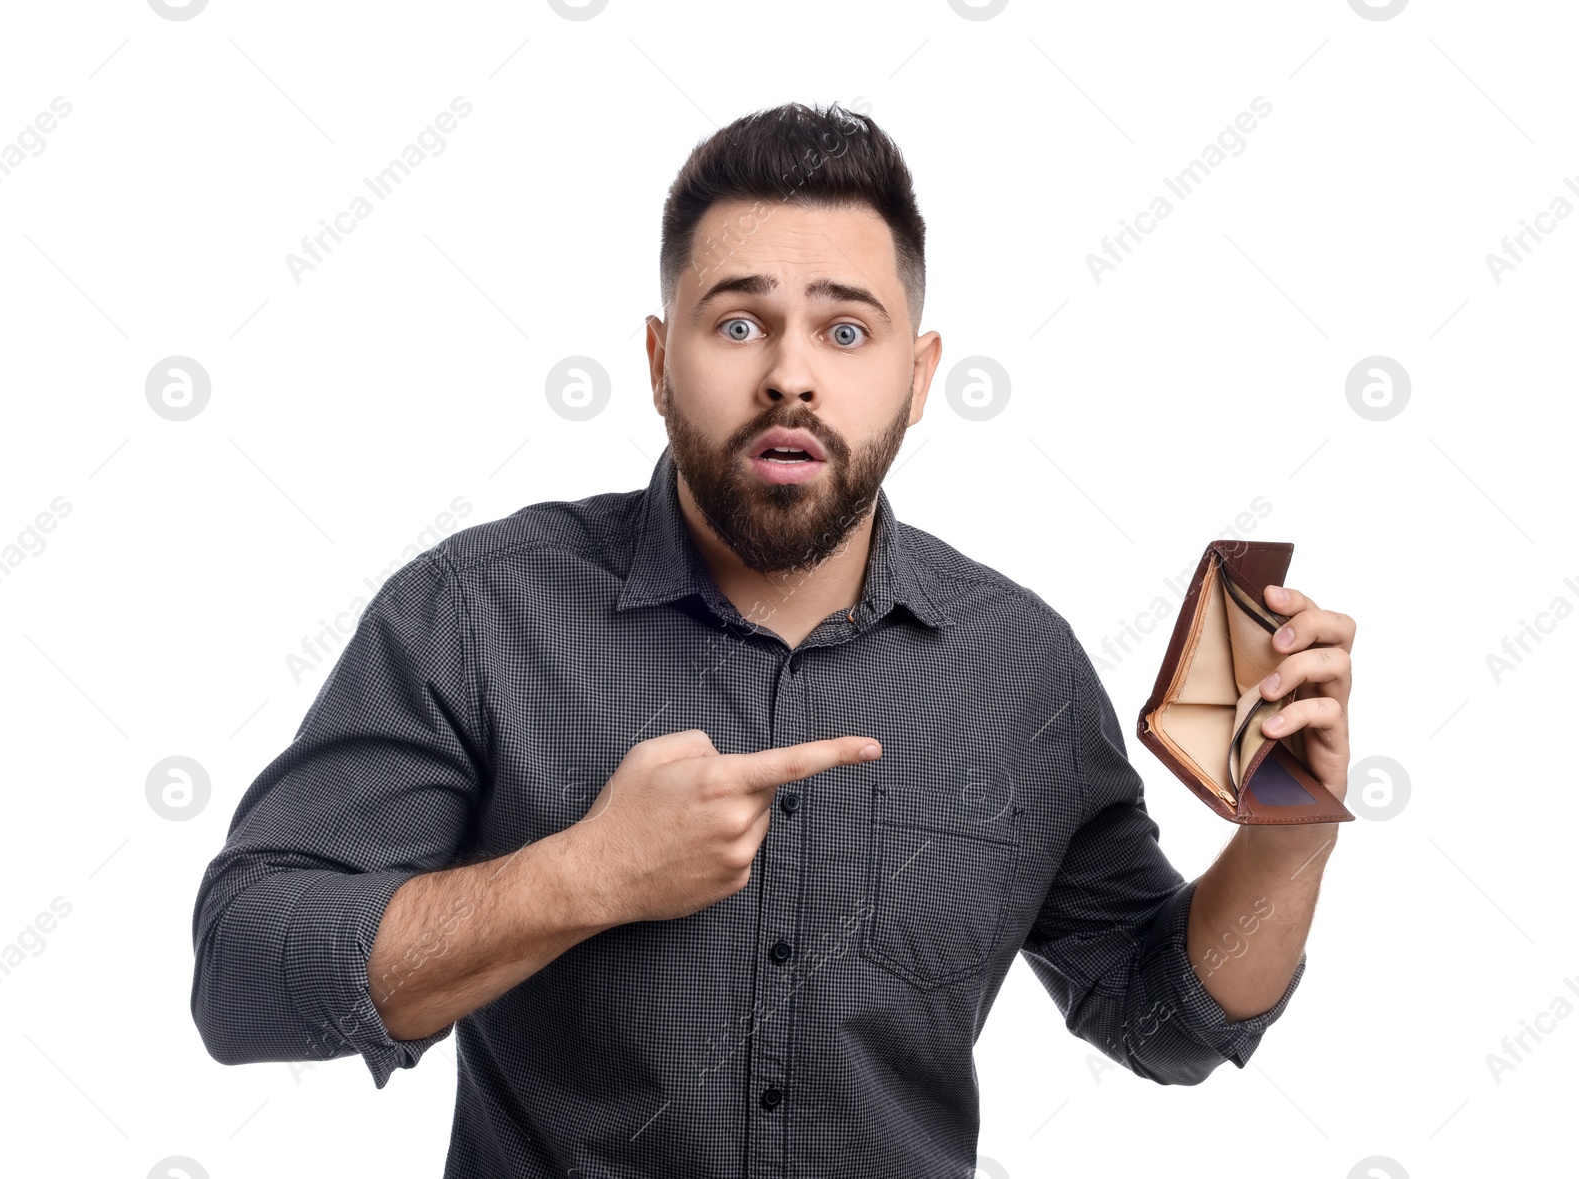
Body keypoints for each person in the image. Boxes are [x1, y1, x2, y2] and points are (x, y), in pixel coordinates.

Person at [190, 100, 1357, 1178]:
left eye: (847, 332)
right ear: (657, 363)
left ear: (917, 376)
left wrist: (1288, 839)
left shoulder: (1020, 668)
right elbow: (243, 974)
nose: (790, 376)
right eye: (739, 322)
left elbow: (1164, 1024)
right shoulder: (475, 613)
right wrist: (583, 875)